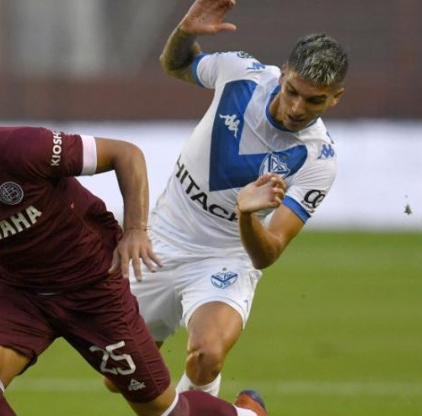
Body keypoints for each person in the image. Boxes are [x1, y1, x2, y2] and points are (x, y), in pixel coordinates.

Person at [0, 124, 270, 416]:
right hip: (19, 294)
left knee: (163, 409)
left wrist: (135, 229)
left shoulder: (18, 150)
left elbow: (127, 154)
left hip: (93, 288)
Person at [111, 0, 348, 398]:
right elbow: (176, 64)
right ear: (283, 74)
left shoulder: (317, 159)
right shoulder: (241, 74)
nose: (296, 108)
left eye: (314, 101)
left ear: (335, 98)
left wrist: (245, 215)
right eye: (292, 91)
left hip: (225, 258)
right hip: (160, 238)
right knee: (121, 378)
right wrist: (184, 32)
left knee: (206, 353)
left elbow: (266, 254)